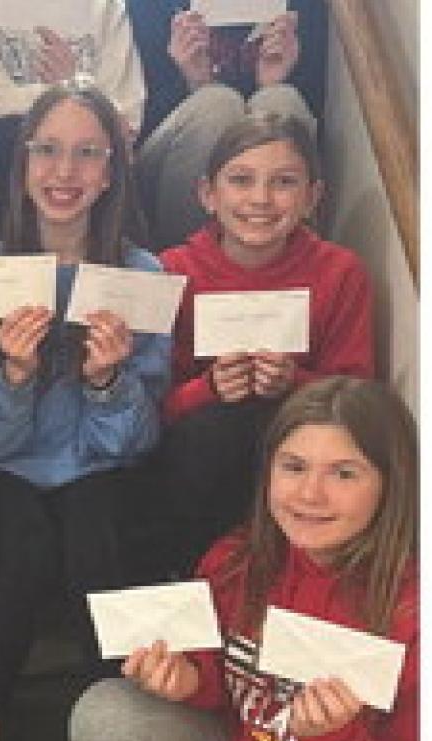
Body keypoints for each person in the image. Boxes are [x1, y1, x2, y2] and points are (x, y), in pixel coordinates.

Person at [0, 81, 171, 741]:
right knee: (30, 545)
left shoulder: (141, 276)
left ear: (110, 172)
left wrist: (106, 382)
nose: (64, 173)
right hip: (6, 475)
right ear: (23, 162)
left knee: (92, 531)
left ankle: (114, 734)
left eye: (85, 154)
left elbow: (136, 446)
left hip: (98, 474)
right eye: (48, 150)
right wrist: (12, 374)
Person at [70, 376, 418, 741]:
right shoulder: (237, 558)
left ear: (390, 485)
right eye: (294, 467)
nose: (310, 494)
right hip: (247, 739)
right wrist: (190, 678)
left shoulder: (409, 610)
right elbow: (219, 670)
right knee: (105, 713)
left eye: (343, 474)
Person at [151, 112, 374, 574]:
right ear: (208, 195)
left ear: (313, 197)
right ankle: (201, 585)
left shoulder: (340, 271)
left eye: (284, 182)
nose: (261, 200)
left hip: (299, 438)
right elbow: (149, 405)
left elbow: (359, 399)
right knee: (210, 436)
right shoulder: (171, 271)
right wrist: (209, 388)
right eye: (241, 180)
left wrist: (296, 383)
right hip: (196, 452)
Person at [129, 0, 327, 250]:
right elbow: (135, 120)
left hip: (261, 133)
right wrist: (193, 83)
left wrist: (274, 80)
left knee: (281, 99)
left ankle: (286, 264)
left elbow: (315, 115)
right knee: (216, 104)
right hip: (169, 161)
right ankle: (185, 266)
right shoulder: (150, 8)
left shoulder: (304, 8)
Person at [0, 0, 145, 253]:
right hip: (0, 154)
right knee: (4, 137)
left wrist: (73, 93)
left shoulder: (106, 7)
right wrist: (67, 92)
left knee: (97, 148)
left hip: (98, 149)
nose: (65, 172)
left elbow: (127, 117)